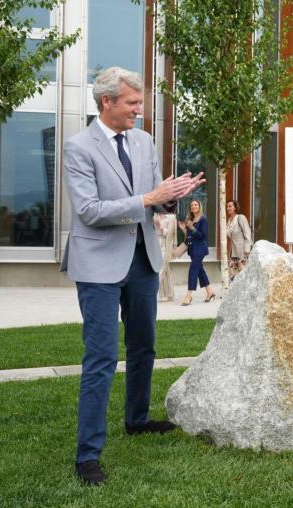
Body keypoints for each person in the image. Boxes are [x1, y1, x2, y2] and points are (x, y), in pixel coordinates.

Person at [61, 67, 205, 485]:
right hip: (99, 266)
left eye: (140, 103)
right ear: (106, 102)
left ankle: (137, 419)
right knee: (101, 357)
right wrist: (148, 198)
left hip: (143, 261)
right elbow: (89, 211)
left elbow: (154, 199)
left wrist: (170, 199)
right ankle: (88, 456)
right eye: (132, 104)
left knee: (144, 347)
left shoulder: (144, 142)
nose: (139, 112)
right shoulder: (78, 148)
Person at [179, 199, 215, 305]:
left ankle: (189, 296)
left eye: (196, 205)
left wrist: (192, 228)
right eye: (192, 205)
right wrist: (184, 229)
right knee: (200, 271)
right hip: (192, 250)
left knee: (193, 270)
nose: (194, 206)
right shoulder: (191, 219)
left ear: (199, 206)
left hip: (200, 249)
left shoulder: (203, 219)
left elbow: (202, 236)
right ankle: (210, 292)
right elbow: (190, 236)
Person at [226, 199, 252, 279]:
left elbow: (247, 233)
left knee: (243, 275)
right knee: (232, 276)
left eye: (230, 206)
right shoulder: (229, 220)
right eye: (227, 207)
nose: (228, 208)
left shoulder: (241, 218)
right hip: (232, 253)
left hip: (242, 252)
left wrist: (247, 251)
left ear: (235, 208)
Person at [153, 212, 176, 302]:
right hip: (155, 244)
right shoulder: (154, 215)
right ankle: (168, 294)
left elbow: (170, 234)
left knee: (161, 270)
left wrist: (160, 225)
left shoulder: (171, 217)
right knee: (165, 270)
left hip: (165, 245)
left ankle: (151, 294)